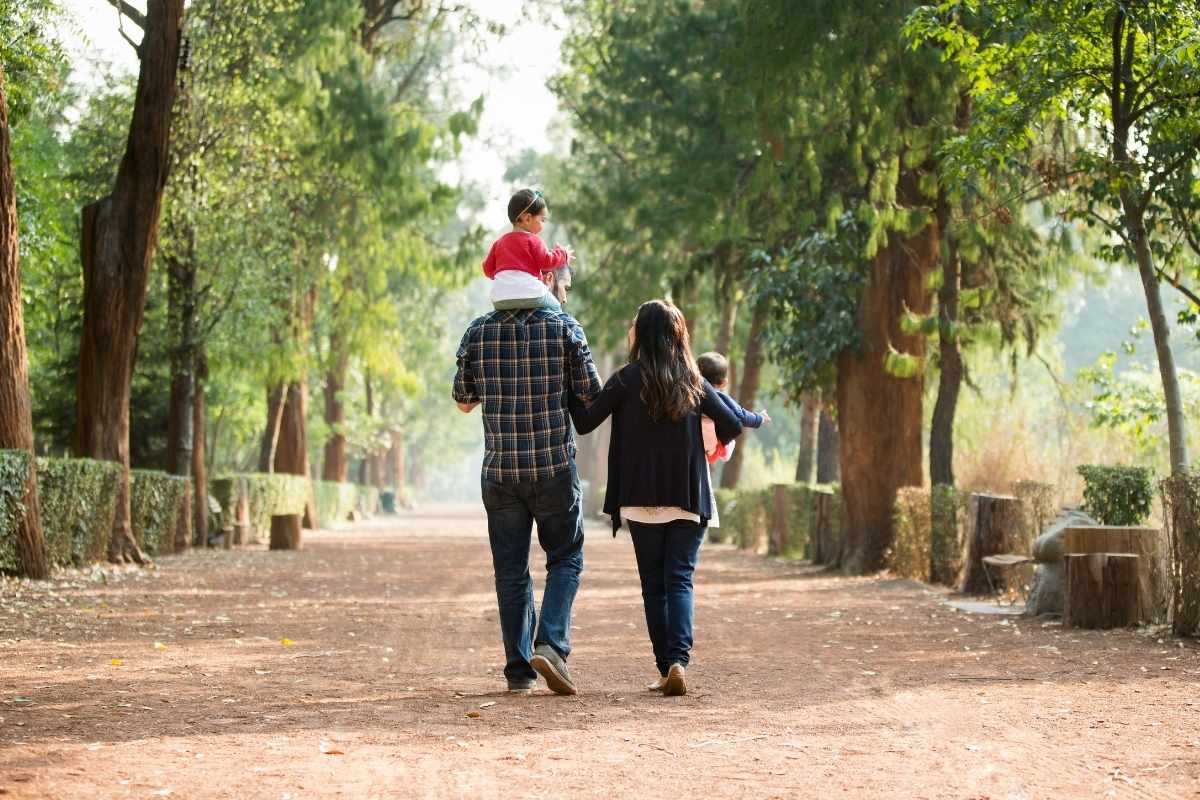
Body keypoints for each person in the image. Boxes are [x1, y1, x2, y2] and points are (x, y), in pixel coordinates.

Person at [569, 300, 741, 697]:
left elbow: (585, 421)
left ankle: (666, 667)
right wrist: (706, 445)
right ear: (677, 335)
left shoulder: (625, 379)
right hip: (688, 494)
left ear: (641, 334)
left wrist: (566, 384)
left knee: (653, 585)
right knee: (679, 579)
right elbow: (732, 423)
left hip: (640, 496)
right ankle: (679, 660)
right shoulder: (694, 381)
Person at [452, 283, 601, 696]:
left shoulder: (478, 330)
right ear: (545, 281)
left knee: (511, 572)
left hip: (500, 471)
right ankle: (551, 645)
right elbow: (592, 393)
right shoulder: (565, 328)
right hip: (553, 466)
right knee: (566, 558)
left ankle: (519, 671)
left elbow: (463, 400)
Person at [482, 189, 575, 312]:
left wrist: (506, 275)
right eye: (542, 220)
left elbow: (488, 270)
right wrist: (563, 254)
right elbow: (547, 261)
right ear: (527, 219)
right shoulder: (533, 240)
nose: (543, 224)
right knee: (556, 307)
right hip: (530, 293)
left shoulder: (498, 243)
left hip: (499, 298)